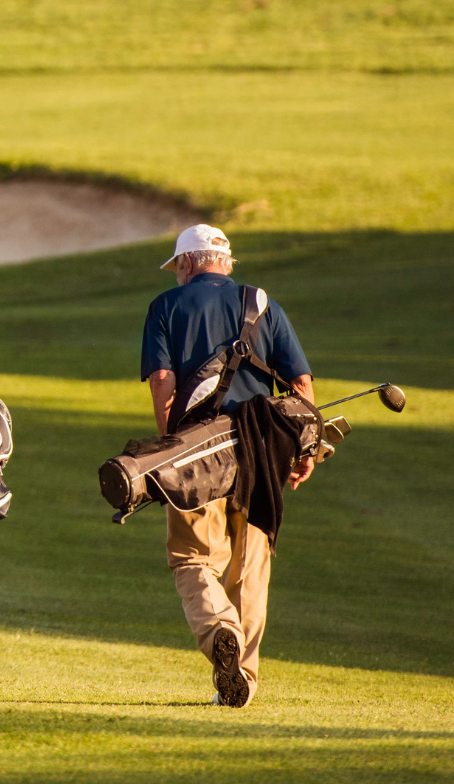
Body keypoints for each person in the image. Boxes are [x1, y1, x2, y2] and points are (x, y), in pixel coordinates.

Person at [142, 224, 315, 708]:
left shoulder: (166, 306)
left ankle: (221, 634)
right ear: (225, 262)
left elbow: (162, 380)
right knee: (249, 569)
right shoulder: (261, 302)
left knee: (192, 557)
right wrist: (305, 450)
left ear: (187, 262)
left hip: (197, 453)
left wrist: (167, 446)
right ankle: (241, 683)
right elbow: (300, 384)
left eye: (177, 266)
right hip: (263, 449)